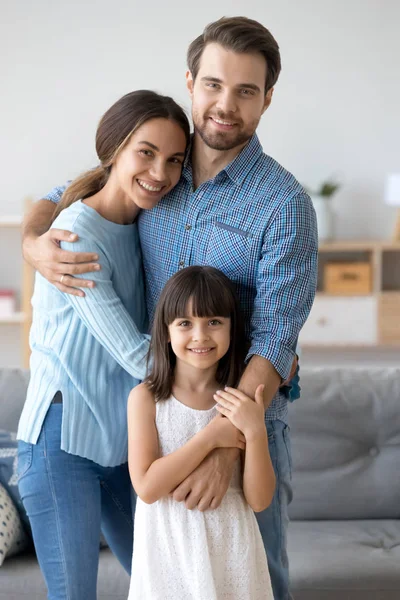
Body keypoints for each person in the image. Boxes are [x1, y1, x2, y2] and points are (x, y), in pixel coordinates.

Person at [21, 17, 318, 600]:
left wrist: (223, 446)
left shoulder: (285, 205)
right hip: (158, 428)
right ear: (190, 82)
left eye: (246, 91)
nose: (224, 105)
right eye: (213, 85)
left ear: (267, 99)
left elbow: (276, 339)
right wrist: (34, 244)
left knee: (253, 583)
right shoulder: (161, 171)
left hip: (244, 427)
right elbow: (62, 195)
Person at [17, 90, 190, 600]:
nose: (160, 172)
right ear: (114, 149)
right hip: (60, 441)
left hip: (120, 443)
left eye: (175, 160)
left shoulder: (143, 221)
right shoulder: (75, 235)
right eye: (146, 152)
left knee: (168, 586)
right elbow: (136, 355)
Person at [127, 265, 275, 600]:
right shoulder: (146, 399)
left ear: (230, 329)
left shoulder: (240, 400)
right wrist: (211, 437)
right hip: (169, 552)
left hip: (232, 550)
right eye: (185, 323)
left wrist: (255, 432)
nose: (200, 335)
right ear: (166, 331)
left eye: (214, 322)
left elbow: (260, 499)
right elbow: (148, 487)